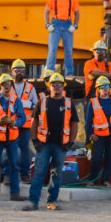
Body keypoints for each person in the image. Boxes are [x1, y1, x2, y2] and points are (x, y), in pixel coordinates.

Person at [22, 73, 78, 211]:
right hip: (44, 144)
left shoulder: (69, 103)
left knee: (57, 174)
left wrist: (71, 142)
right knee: (39, 172)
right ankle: (33, 201)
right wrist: (34, 140)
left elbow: (74, 124)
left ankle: (51, 201)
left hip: (61, 145)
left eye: (59, 84)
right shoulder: (42, 101)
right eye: (54, 84)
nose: (56, 87)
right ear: (49, 86)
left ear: (63, 86)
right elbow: (34, 122)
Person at [0, 72, 26, 201]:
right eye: (4, 85)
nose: (6, 87)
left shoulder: (16, 100)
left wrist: (14, 122)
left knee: (14, 166)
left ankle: (15, 193)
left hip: (12, 137)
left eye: (8, 84)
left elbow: (23, 118)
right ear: (0, 86)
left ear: (11, 85)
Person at [84, 76, 111, 186]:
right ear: (98, 89)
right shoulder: (93, 102)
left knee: (110, 157)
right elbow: (88, 120)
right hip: (99, 135)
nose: (105, 88)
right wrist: (90, 133)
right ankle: (93, 179)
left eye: (107, 86)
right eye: (102, 87)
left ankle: (106, 180)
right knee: (97, 157)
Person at [45, 0, 81, 77]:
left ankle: (69, 74)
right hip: (55, 24)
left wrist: (75, 25)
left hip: (67, 25)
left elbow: (77, 13)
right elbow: (46, 12)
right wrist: (48, 25)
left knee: (68, 51)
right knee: (52, 49)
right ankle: (50, 72)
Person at [10, 59, 38, 182]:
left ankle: (24, 174)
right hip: (11, 124)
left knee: (25, 150)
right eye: (17, 70)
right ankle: (9, 174)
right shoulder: (7, 85)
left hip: (25, 125)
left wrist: (25, 103)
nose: (19, 73)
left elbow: (36, 104)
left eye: (22, 70)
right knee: (10, 149)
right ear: (12, 72)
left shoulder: (30, 87)